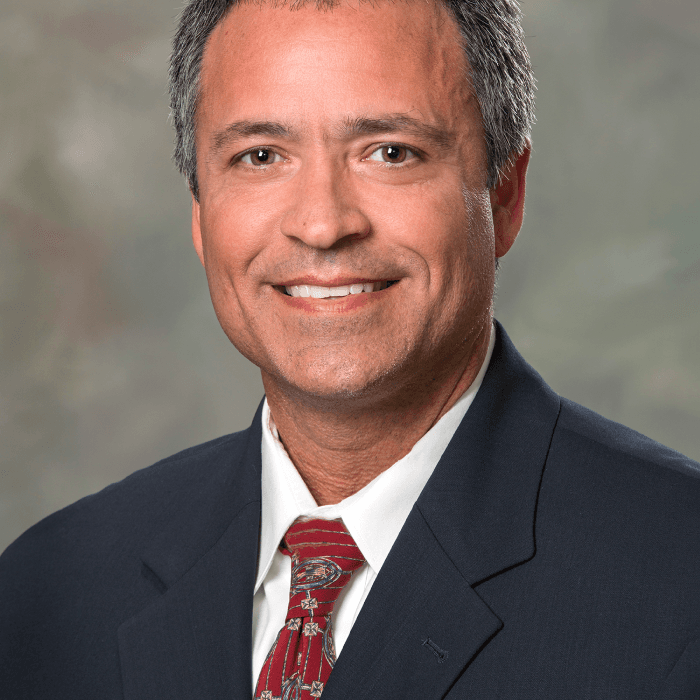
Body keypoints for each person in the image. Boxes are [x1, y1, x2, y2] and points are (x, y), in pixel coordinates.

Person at [1, 0, 699, 697]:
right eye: (260, 156)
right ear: (200, 213)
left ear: (505, 196)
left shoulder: (679, 578)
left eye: (391, 152)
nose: (322, 224)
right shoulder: (46, 591)